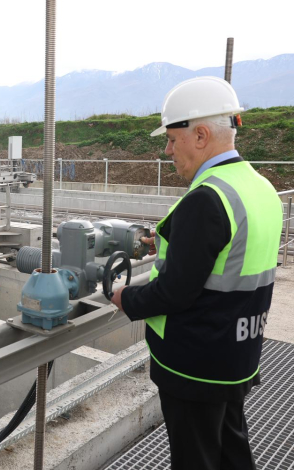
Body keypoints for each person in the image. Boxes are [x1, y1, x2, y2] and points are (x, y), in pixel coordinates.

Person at [110, 76, 282, 470]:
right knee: (231, 451)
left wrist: (126, 298)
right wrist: (171, 244)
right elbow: (230, 252)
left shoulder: (206, 199)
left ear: (201, 135)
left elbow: (173, 292)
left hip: (195, 365)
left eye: (172, 139)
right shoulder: (259, 188)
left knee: (196, 460)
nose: (167, 150)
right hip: (237, 354)